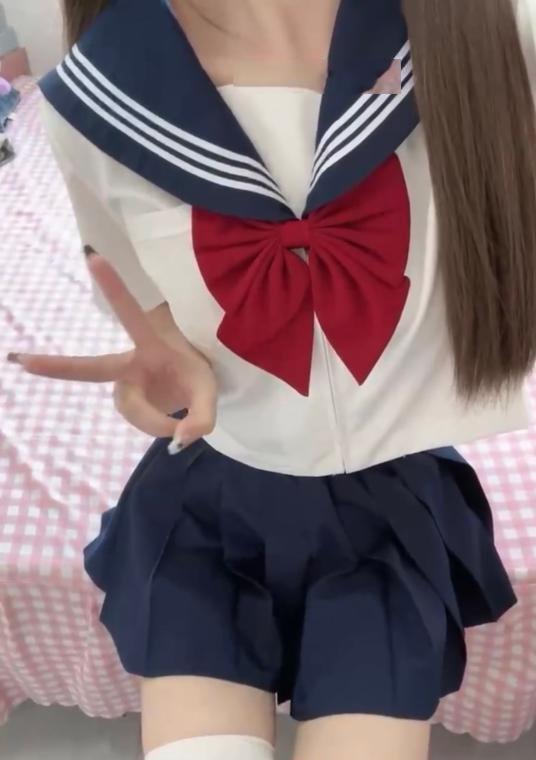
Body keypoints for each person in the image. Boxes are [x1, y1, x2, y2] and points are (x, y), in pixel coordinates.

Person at [8, 0, 536, 758]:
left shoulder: (492, 42)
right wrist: (163, 373)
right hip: (212, 505)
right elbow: (154, 319)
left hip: (391, 515)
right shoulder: (93, 102)